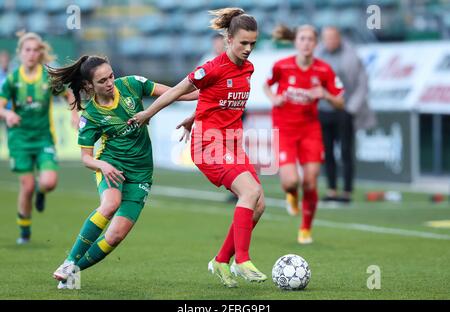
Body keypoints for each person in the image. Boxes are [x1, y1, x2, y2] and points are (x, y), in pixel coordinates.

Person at [130, 8, 267, 288]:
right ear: (229, 39)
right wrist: (147, 114)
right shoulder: (211, 68)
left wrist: (195, 115)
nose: (248, 49)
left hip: (232, 143)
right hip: (208, 144)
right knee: (250, 192)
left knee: (258, 204)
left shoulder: (248, 69)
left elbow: (217, 98)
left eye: (253, 43)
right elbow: (177, 90)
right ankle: (242, 260)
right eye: (243, 43)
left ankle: (220, 260)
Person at [47, 55, 198, 289]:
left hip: (141, 172)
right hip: (112, 165)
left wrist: (211, 92)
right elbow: (86, 158)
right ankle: (69, 261)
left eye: (111, 76)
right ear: (89, 86)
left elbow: (178, 93)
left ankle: (72, 272)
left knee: (115, 236)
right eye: (102, 80)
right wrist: (103, 165)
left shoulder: (131, 84)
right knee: (110, 204)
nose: (110, 83)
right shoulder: (91, 116)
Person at [263, 25, 345, 244]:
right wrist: (274, 98)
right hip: (285, 129)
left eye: (310, 39)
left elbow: (341, 101)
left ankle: (305, 229)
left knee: (310, 181)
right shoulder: (282, 66)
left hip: (310, 130)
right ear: (295, 42)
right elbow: (266, 85)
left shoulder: (324, 70)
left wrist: (326, 94)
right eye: (302, 38)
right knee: (291, 181)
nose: (306, 42)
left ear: (316, 43)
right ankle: (291, 195)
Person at [0, 32, 77, 245]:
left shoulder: (48, 78)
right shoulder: (13, 80)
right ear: (20, 53)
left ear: (40, 53)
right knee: (26, 187)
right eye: (27, 50)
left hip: (44, 138)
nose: (32, 54)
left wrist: (73, 113)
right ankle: (24, 232)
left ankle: (41, 191)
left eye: (35, 50)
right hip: (20, 140)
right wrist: (8, 114)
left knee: (50, 182)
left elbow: (69, 94)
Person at [316, 26, 375, 203]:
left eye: (333, 37)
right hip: (324, 110)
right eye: (326, 37)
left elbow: (362, 84)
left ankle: (347, 191)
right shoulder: (318, 55)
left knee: (346, 151)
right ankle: (332, 190)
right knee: (327, 152)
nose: (330, 41)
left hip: (345, 110)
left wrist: (351, 109)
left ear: (339, 37)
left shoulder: (352, 56)